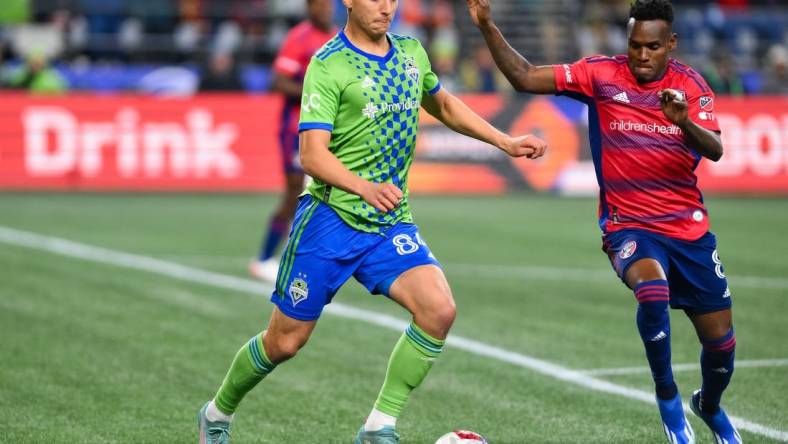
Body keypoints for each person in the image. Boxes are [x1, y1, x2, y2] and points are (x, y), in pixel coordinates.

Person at [197, 0, 547, 442]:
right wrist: (363, 187)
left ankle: (379, 426)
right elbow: (311, 154)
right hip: (329, 219)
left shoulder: (410, 52)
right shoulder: (328, 64)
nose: (386, 6)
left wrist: (505, 140)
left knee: (438, 310)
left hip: (388, 222)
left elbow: (442, 103)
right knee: (284, 342)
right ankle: (216, 414)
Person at [467, 0, 739, 443]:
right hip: (628, 225)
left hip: (687, 230)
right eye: (634, 45)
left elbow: (715, 149)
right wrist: (487, 26)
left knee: (721, 344)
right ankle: (669, 402)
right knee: (652, 290)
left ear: (671, 44)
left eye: (653, 46)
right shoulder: (600, 74)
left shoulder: (691, 87)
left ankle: (707, 404)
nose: (642, 55)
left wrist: (683, 121)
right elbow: (523, 75)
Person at [248, 0, 337, 282]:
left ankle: (307, 258)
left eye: (328, 5)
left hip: (328, 128)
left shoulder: (338, 37)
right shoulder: (299, 38)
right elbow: (278, 81)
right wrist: (316, 91)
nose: (325, 10)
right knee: (295, 192)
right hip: (295, 128)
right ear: (309, 7)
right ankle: (264, 257)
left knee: (327, 193)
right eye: (320, 5)